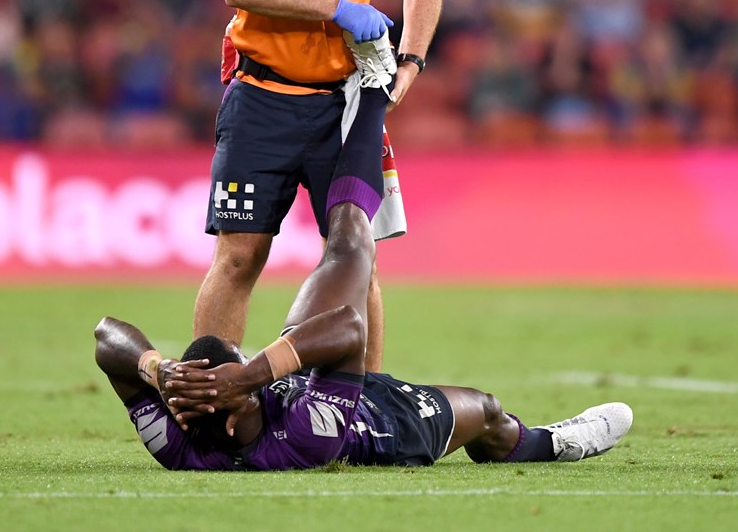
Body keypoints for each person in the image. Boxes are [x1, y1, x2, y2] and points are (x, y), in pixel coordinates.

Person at [95, 74, 633, 471]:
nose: (239, 361)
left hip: (304, 382)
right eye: (234, 375)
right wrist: (254, 373)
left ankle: (365, 91)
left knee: (347, 241)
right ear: (234, 418)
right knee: (488, 415)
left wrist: (158, 372)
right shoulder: (304, 440)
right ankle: (553, 442)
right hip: (381, 421)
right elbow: (349, 329)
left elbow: (105, 337)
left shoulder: (181, 442)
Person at [196, 0, 443, 370]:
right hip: (261, 95)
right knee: (239, 256)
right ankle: (206, 399)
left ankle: (366, 407)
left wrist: (410, 60)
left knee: (356, 257)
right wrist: (338, 7)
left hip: (346, 105)